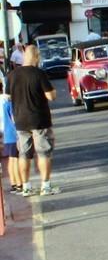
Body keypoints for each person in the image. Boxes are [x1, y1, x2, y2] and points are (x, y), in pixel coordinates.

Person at [8, 45, 58, 196]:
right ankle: (46, 186)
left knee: (24, 154)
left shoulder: (12, 75)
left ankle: (26, 187)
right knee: (43, 153)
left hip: (20, 120)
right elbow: (51, 96)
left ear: (24, 56)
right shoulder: (39, 74)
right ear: (36, 57)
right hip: (39, 119)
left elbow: (8, 98)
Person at [1, 81, 19, 193]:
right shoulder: (8, 102)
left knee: (11, 159)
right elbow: (14, 119)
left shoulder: (4, 103)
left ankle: (14, 184)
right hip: (12, 133)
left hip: (6, 134)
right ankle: (19, 183)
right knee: (16, 159)